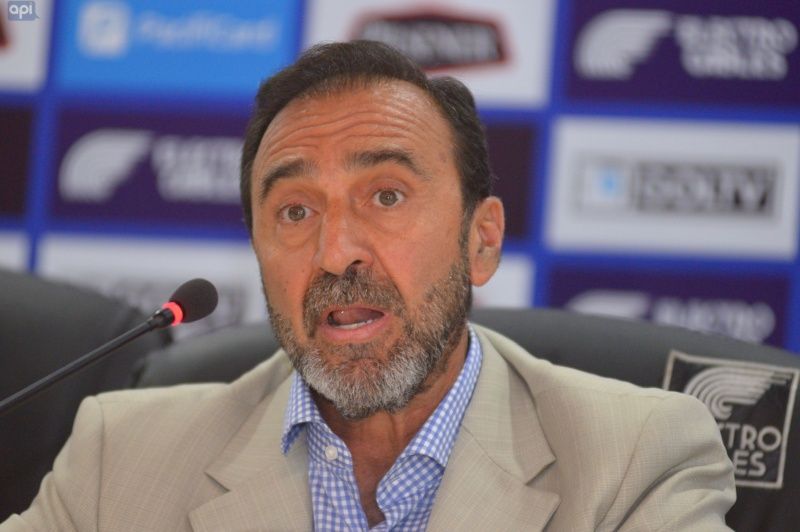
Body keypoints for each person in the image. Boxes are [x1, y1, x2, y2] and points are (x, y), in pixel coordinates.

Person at [2, 41, 735, 531]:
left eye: (385, 196)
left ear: (480, 241)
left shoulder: (632, 459)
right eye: (295, 211)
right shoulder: (120, 458)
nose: (335, 253)